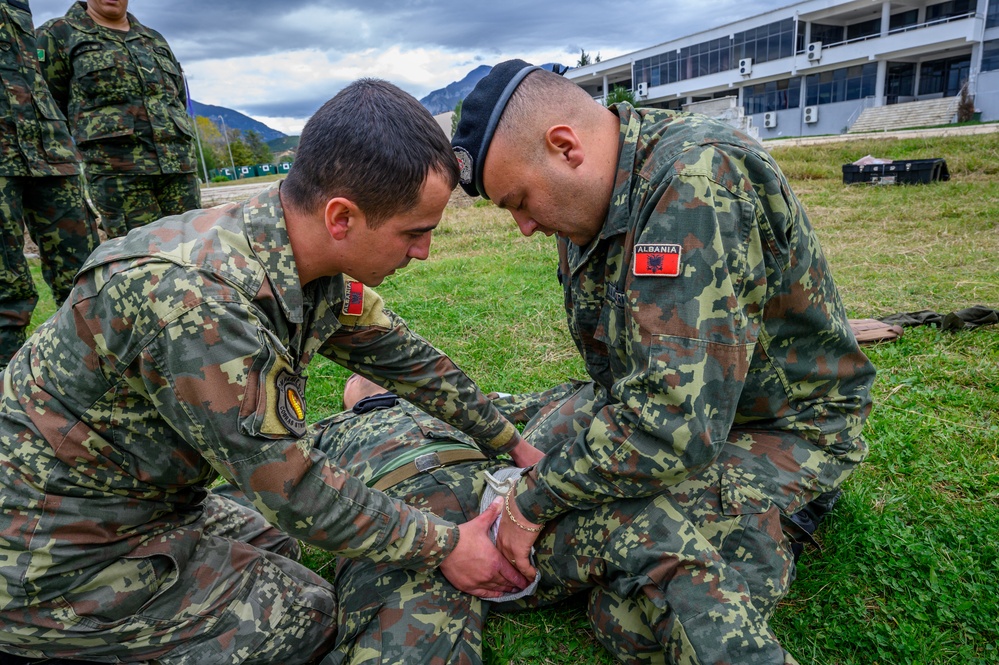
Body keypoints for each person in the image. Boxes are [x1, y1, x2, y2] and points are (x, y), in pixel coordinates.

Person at [0, 78, 537, 664]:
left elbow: (409, 360)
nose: (423, 252)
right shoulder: (199, 303)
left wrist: (510, 442)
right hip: (54, 555)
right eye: (414, 232)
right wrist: (446, 544)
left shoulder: (295, 254)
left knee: (279, 548)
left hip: (143, 504)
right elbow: (297, 491)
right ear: (342, 217)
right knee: (306, 611)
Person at [451, 60, 877, 662]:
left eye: (519, 201)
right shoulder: (595, 202)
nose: (524, 225)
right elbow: (629, 380)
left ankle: (784, 514)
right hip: (669, 410)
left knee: (620, 612)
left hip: (778, 428)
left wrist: (532, 502)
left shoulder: (696, 180)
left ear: (565, 147)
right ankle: (719, 525)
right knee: (526, 467)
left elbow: (674, 427)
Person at [303, 374, 794, 665]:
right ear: (348, 398)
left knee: (643, 530)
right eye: (361, 385)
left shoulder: (442, 404)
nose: (369, 386)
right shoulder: (323, 431)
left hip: (492, 510)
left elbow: (541, 410)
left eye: (377, 381)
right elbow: (279, 484)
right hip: (398, 534)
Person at [36, 0, 201, 238]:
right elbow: (49, 105)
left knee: (194, 250)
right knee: (141, 258)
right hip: (120, 177)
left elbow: (177, 99)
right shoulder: (58, 34)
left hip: (179, 169)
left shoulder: (153, 39)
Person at [0, 0, 100, 369]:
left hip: (48, 148)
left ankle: (88, 375)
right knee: (4, 288)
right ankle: (9, 401)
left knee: (84, 274)